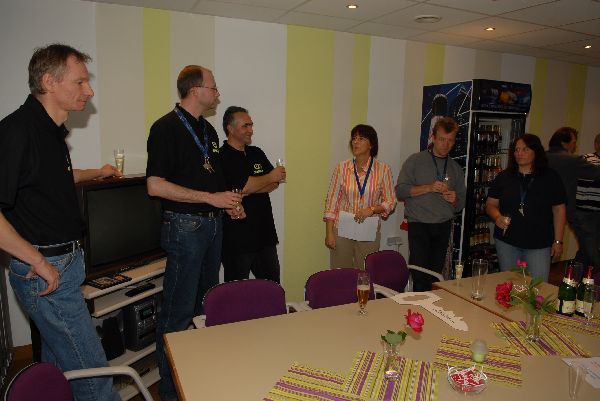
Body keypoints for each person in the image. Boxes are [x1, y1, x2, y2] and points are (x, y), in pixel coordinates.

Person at [0, 44, 121, 401]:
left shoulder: (51, 129)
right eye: (80, 81)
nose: (89, 90)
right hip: (45, 270)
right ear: (49, 82)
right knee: (95, 376)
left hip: (64, 264)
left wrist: (97, 172)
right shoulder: (17, 131)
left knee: (59, 371)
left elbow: (50, 178)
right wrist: (37, 261)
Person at [146, 65, 244, 401]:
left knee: (206, 307)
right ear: (195, 90)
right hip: (184, 227)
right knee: (177, 313)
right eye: (213, 87)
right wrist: (210, 199)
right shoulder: (165, 128)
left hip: (213, 225)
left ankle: (202, 384)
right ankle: (171, 393)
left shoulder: (209, 131)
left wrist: (228, 204)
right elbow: (155, 186)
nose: (218, 93)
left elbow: (212, 177)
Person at [395, 117, 466, 291]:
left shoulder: (456, 168)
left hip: (443, 226)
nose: (446, 144)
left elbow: (461, 204)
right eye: (442, 139)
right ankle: (418, 306)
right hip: (419, 224)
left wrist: (455, 199)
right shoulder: (415, 160)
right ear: (433, 138)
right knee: (419, 275)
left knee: (435, 276)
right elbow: (400, 191)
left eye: (450, 140)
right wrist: (428, 187)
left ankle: (430, 305)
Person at [486, 134, 566, 281]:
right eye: (516, 150)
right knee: (510, 285)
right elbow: (490, 204)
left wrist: (558, 241)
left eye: (525, 149)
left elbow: (559, 210)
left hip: (539, 243)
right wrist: (497, 217)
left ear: (536, 151)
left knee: (538, 287)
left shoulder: (550, 177)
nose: (519, 153)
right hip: (507, 242)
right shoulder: (504, 177)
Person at [219, 106, 285, 282]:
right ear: (230, 128)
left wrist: (250, 187)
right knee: (236, 291)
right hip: (237, 240)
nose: (251, 130)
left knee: (272, 287)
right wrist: (269, 177)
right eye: (245, 126)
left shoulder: (256, 152)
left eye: (251, 125)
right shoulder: (222, 156)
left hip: (265, 236)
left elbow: (273, 185)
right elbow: (249, 185)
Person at [324, 124, 396, 269]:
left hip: (368, 230)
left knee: (365, 273)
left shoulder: (383, 169)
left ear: (371, 144)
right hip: (342, 229)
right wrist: (329, 233)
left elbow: (391, 201)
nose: (355, 142)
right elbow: (332, 201)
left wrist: (372, 209)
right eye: (354, 138)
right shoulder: (342, 168)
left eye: (361, 138)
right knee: (341, 272)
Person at [546, 127, 600, 274]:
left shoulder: (541, 158)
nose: (574, 146)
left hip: (540, 210)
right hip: (569, 210)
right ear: (565, 143)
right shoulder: (572, 160)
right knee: (591, 249)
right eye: (574, 142)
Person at [574, 133, 600, 275]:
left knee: (588, 250)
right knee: (589, 249)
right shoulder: (586, 160)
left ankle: (579, 280)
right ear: (596, 144)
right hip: (586, 212)